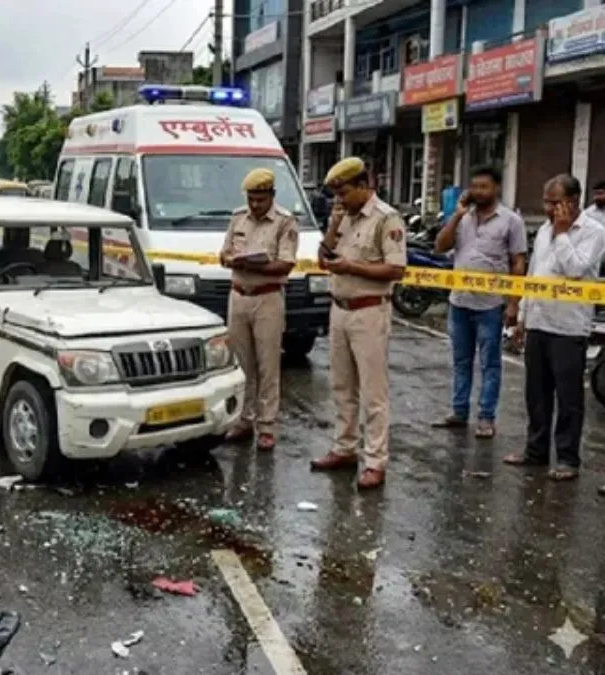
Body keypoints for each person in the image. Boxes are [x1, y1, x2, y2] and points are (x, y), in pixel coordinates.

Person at [309, 157, 407, 490]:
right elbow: (323, 259)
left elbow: (396, 270)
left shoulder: (385, 219)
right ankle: (345, 447)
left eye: (344, 192)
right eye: (335, 194)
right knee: (341, 386)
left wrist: (352, 267)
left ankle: (375, 460)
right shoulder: (344, 218)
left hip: (369, 311)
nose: (339, 199)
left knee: (373, 391)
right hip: (340, 310)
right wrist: (334, 226)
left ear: (364, 186)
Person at [506, 174, 605, 482]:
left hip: (569, 327)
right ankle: (535, 450)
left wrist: (562, 234)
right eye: (546, 202)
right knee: (536, 393)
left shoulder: (594, 232)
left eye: (553, 202)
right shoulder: (546, 229)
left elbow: (575, 270)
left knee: (568, 397)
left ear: (572, 202)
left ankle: (567, 458)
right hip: (539, 322)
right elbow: (535, 275)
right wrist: (523, 315)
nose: (548, 209)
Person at [430, 167, 527, 438]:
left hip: (491, 305)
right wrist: (457, 215)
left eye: (484, 187)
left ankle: (486, 417)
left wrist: (513, 304)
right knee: (461, 361)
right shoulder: (463, 218)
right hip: (459, 301)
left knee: (490, 363)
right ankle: (459, 411)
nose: (478, 192)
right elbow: (440, 246)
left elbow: (518, 262)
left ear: (496, 188)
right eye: (474, 186)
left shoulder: (511, 221)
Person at [219, 168, 299, 450]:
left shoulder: (285, 222)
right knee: (241, 364)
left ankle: (266, 426)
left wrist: (255, 264)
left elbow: (286, 264)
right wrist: (231, 259)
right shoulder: (237, 217)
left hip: (268, 298)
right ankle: (243, 419)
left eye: (261, 200)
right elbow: (224, 254)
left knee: (268, 364)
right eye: (252, 199)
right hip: (239, 296)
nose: (255, 205)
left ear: (272, 196)